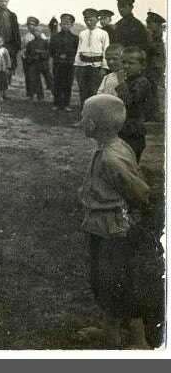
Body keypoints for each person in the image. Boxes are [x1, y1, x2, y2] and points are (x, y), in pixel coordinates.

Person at [78, 94, 151, 349]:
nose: (80, 120)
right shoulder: (110, 147)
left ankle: (140, 341)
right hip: (101, 227)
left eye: (83, 116)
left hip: (116, 230)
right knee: (102, 281)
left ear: (92, 124)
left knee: (119, 284)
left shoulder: (113, 157)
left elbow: (139, 192)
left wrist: (132, 212)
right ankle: (110, 332)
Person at [115, 47, 152, 163]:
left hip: (133, 132)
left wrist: (121, 84)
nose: (126, 66)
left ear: (142, 65)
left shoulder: (142, 82)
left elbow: (129, 102)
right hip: (123, 129)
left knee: (129, 163)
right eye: (123, 62)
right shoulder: (129, 81)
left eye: (131, 63)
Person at [75, 8, 110, 109]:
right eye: (86, 19)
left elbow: (105, 50)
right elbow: (79, 50)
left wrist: (104, 67)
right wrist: (77, 65)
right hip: (83, 65)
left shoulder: (103, 33)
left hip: (96, 66)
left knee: (94, 90)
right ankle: (84, 112)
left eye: (91, 19)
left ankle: (94, 114)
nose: (88, 22)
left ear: (97, 20)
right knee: (83, 90)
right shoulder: (82, 33)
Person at [49, 14, 80, 111]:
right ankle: (56, 103)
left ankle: (66, 104)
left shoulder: (75, 38)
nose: (65, 26)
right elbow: (51, 51)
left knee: (68, 84)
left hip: (69, 65)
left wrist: (69, 57)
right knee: (57, 83)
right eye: (63, 23)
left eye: (68, 23)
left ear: (71, 25)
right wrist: (58, 56)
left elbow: (77, 51)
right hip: (58, 64)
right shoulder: (55, 37)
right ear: (60, 24)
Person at [22, 16, 53, 102]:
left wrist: (41, 53)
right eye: (34, 31)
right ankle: (38, 96)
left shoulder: (44, 40)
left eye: (37, 31)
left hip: (43, 63)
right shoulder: (29, 41)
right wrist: (29, 58)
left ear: (40, 32)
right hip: (33, 63)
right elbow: (26, 51)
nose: (35, 33)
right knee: (35, 79)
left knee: (49, 78)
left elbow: (49, 52)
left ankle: (55, 94)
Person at [144, 11, 165, 122]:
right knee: (151, 91)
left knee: (155, 90)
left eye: (149, 23)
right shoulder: (153, 35)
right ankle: (153, 114)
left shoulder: (160, 36)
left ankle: (157, 115)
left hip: (156, 67)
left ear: (157, 24)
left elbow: (156, 51)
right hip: (151, 66)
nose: (147, 25)